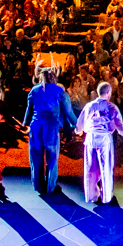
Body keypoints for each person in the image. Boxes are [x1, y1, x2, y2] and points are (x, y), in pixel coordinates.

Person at [75, 81, 123, 205]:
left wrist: (78, 131)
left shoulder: (89, 106)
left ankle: (91, 196)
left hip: (91, 137)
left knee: (90, 168)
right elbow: (120, 124)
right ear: (109, 93)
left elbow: (81, 121)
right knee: (105, 168)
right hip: (104, 138)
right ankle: (106, 197)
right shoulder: (111, 107)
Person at [19, 65, 76, 196]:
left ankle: (38, 185)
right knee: (52, 157)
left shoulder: (34, 90)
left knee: (36, 157)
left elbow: (29, 110)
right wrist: (78, 126)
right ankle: (51, 186)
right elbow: (69, 112)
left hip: (36, 127)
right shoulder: (60, 91)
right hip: (51, 127)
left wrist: (24, 124)